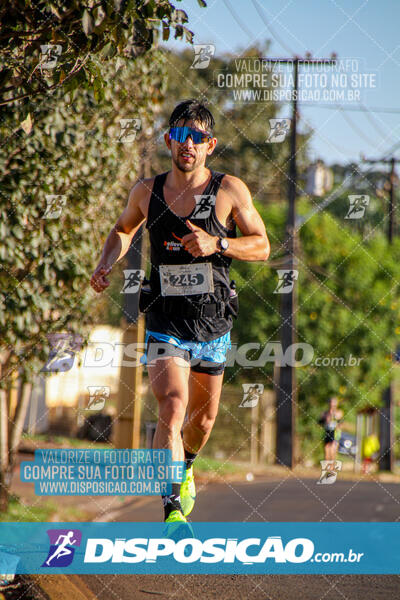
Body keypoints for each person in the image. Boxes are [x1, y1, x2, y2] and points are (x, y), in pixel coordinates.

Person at [90, 99, 270, 529]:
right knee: (172, 406)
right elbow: (121, 229)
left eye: (196, 137)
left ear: (210, 145)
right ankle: (171, 508)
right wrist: (106, 261)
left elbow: (262, 245)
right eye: (179, 134)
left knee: (202, 422)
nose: (187, 144)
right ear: (169, 140)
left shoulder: (229, 191)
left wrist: (218, 244)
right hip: (165, 321)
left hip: (213, 322)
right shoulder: (147, 191)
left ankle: (186, 465)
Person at [318, 397, 344, 462]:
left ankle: (332, 468)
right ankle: (327, 468)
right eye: (331, 402)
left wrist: (333, 415)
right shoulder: (325, 413)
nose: (332, 404)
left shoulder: (339, 412)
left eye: (333, 403)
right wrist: (324, 419)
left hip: (335, 432)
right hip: (327, 431)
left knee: (333, 450)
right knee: (326, 450)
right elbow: (320, 422)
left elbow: (340, 423)